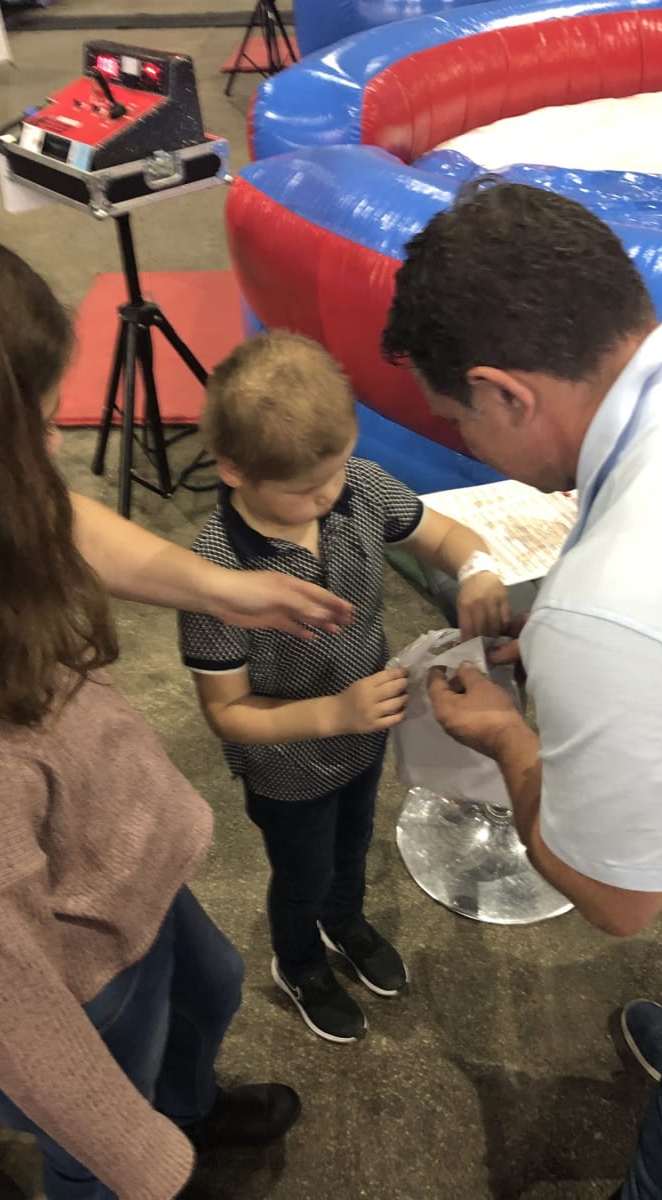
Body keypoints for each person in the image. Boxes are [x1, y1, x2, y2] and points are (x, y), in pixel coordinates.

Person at [0, 36, 351, 1199]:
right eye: (34, 430)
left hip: (117, 870)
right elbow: (20, 1026)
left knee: (206, 990)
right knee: (107, 1119)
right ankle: (159, 1145)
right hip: (67, 970)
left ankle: (187, 1103)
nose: (56, 455)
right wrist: (148, 1164)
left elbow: (42, 509)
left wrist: (224, 589)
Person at [382, 178, 662, 1198]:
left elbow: (620, 898)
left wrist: (507, 737)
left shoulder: (615, 607)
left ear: (505, 393)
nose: (466, 443)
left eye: (460, 422)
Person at [177, 331, 511, 1044]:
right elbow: (228, 713)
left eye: (335, 473)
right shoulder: (214, 573)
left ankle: (345, 921)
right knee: (302, 871)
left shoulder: (357, 486)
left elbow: (446, 536)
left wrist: (477, 568)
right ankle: (298, 961)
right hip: (289, 766)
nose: (328, 495)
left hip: (364, 737)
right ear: (234, 470)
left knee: (353, 845)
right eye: (305, 489)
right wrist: (334, 712)